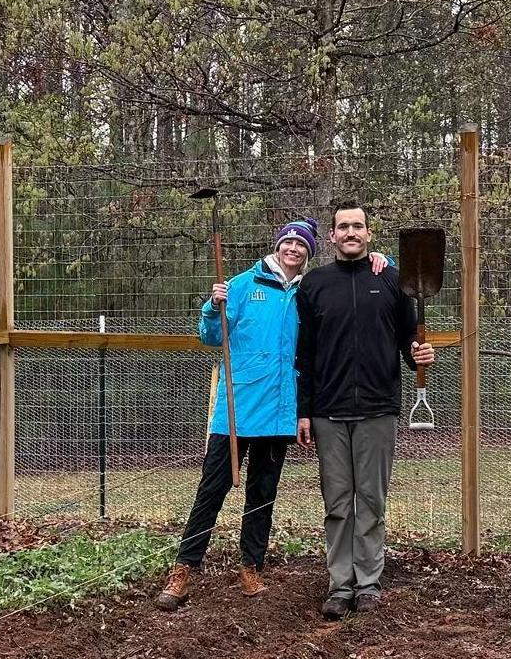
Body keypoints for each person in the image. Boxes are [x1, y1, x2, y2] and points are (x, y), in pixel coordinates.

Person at [156, 219, 391, 611]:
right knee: (210, 493)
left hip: (278, 414)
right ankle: (184, 570)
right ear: (278, 245)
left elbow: (353, 288)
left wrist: (381, 258)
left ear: (310, 252)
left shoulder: (307, 292)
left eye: (302, 245)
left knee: (262, 496)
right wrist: (212, 310)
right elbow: (211, 337)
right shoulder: (243, 285)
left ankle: (251, 566)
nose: (294, 249)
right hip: (236, 411)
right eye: (289, 242)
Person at [295, 202, 435, 620]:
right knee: (337, 502)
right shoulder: (314, 285)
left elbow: (409, 341)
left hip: (378, 408)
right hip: (328, 410)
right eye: (343, 226)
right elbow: (304, 354)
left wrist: (419, 354)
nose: (350, 232)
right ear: (332, 236)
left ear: (369, 234)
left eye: (358, 226)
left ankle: (369, 584)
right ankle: (341, 585)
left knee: (371, 500)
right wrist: (304, 411)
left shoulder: (393, 281)